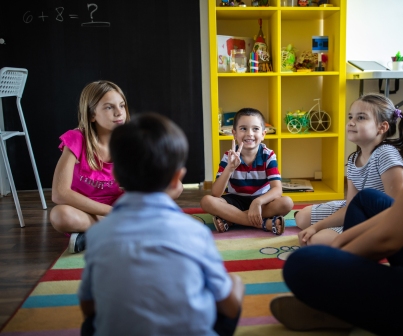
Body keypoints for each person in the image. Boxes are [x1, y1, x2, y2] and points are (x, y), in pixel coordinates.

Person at [270, 14, 403, 336]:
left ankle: (347, 307)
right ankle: (354, 301)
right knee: (369, 200)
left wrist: (336, 261)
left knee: (303, 264)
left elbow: (391, 235)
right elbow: (399, 216)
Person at [78, 113, 244, 336]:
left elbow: (88, 307)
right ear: (177, 178)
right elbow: (230, 307)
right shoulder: (195, 233)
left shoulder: (98, 234)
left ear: (116, 176)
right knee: (234, 284)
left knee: (90, 325)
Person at [50, 80, 184, 254]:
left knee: (176, 187)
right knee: (59, 215)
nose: (119, 112)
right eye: (109, 107)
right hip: (86, 210)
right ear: (91, 115)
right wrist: (114, 212)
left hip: (121, 206)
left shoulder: (131, 141)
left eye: (121, 105)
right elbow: (59, 193)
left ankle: (99, 234)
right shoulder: (76, 138)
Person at [296, 93, 403, 246]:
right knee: (302, 218)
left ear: (382, 127)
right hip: (359, 211)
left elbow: (397, 210)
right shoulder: (353, 159)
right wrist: (317, 226)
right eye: (350, 117)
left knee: (315, 240)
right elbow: (351, 206)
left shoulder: (386, 154)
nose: (351, 123)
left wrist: (321, 230)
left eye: (361, 118)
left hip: (383, 219)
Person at [200, 108, 293, 234]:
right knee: (207, 201)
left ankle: (231, 219)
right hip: (235, 201)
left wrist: (257, 202)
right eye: (243, 128)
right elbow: (216, 193)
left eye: (255, 129)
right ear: (234, 133)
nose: (249, 133)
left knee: (287, 202)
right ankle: (263, 224)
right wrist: (230, 168)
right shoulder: (229, 156)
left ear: (263, 134)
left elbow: (277, 189)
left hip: (262, 202)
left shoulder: (268, 155)